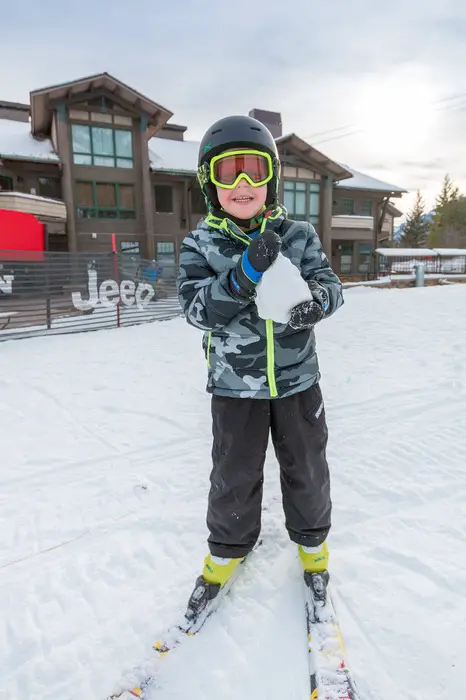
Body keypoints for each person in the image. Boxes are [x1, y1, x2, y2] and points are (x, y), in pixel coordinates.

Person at [177, 115, 344, 618]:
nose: (244, 184)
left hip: (297, 383)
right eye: (230, 173)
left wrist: (318, 303)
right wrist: (244, 271)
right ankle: (225, 557)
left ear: (271, 178)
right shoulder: (201, 244)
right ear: (212, 183)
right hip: (234, 388)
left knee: (307, 468)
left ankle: (314, 551)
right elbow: (196, 310)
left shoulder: (298, 234)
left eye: (254, 171)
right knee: (234, 475)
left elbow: (330, 284)